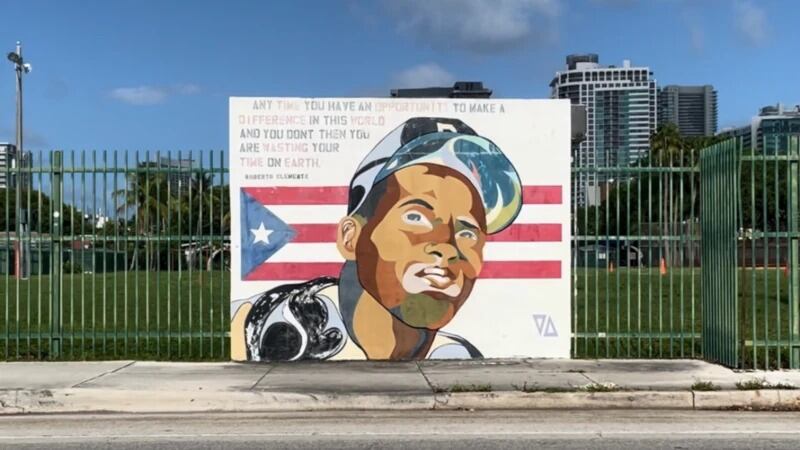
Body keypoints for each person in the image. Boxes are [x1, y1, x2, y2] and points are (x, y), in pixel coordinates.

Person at [231, 117, 522, 361]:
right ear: (351, 237)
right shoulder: (256, 323)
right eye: (416, 218)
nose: (447, 246)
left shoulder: (458, 356)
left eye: (467, 231)